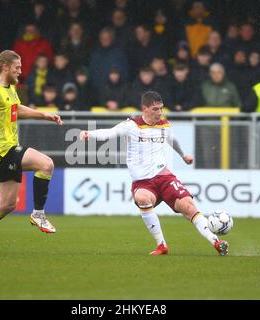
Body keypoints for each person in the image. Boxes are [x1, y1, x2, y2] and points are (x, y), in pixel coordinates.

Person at [79, 91, 229, 256]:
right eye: (155, 109)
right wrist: (89, 134)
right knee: (143, 199)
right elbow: (110, 133)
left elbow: (172, 140)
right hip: (143, 183)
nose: (160, 113)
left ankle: (216, 241)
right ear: (145, 109)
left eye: (161, 109)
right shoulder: (132, 125)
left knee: (188, 207)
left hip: (164, 177)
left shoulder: (164, 125)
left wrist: (183, 155)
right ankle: (162, 245)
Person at [0, 50, 63, 254]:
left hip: (7, 152)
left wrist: (43, 115)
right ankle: (38, 213)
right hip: (4, 149)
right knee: (46, 164)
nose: (20, 71)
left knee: (7, 204)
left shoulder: (9, 89)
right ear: (5, 67)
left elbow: (17, 109)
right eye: (17, 67)